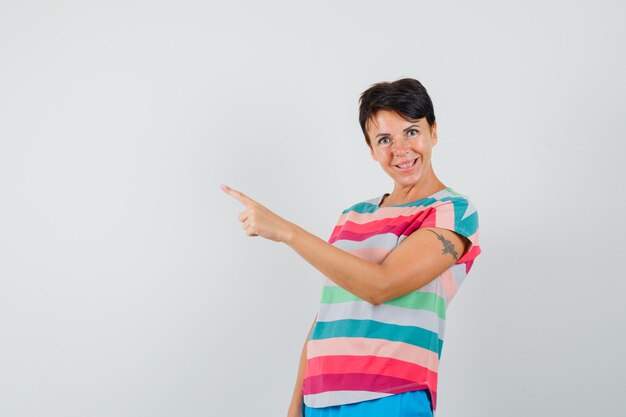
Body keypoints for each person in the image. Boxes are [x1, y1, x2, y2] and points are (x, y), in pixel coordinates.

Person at [221, 78, 481, 417]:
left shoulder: (452, 210)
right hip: (319, 399)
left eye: (412, 131)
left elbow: (380, 285)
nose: (400, 149)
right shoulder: (353, 216)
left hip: (390, 396)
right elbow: (328, 315)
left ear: (434, 131)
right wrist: (295, 404)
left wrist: (286, 232)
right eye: (385, 139)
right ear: (371, 149)